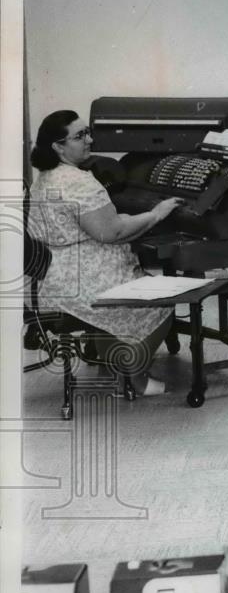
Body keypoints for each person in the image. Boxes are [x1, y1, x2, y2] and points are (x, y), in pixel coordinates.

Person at [27, 110, 181, 396]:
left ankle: (117, 371)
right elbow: (113, 233)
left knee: (119, 310)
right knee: (162, 304)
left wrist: (119, 217)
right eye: (80, 136)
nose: (90, 140)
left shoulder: (45, 178)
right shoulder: (79, 181)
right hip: (85, 280)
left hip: (52, 279)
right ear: (58, 147)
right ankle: (136, 378)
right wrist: (156, 214)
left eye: (87, 133)